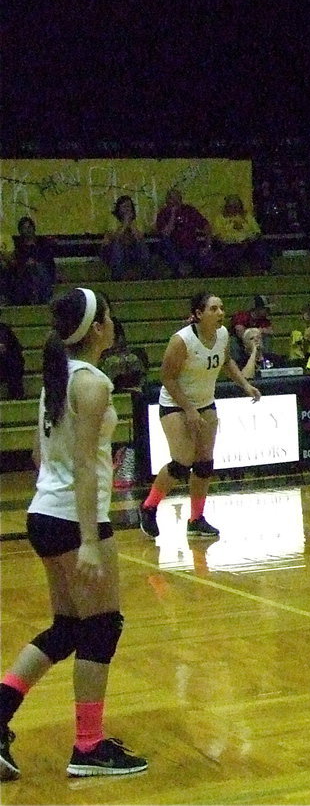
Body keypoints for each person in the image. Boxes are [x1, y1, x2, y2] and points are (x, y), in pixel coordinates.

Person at [0, 287, 149, 779]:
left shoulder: (58, 377)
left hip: (45, 512)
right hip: (72, 519)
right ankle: (88, 746)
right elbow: (85, 465)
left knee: (67, 628)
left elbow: (41, 456)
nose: (113, 322)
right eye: (108, 315)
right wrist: (88, 539)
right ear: (98, 326)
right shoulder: (92, 383)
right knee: (102, 627)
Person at [137, 292, 262, 540]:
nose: (220, 313)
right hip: (175, 404)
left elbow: (226, 362)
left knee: (204, 463)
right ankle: (148, 507)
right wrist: (189, 410)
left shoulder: (223, 334)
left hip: (206, 403)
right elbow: (168, 378)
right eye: (213, 309)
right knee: (181, 462)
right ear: (198, 314)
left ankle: (196, 519)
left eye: (221, 308)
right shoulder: (181, 341)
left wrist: (245, 386)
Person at [154, 188, 213, 278]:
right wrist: (173, 214)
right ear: (167, 200)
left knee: (207, 256)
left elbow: (206, 226)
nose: (174, 201)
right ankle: (180, 268)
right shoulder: (163, 214)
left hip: (191, 247)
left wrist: (207, 246)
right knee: (165, 243)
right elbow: (166, 233)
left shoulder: (189, 211)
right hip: (173, 248)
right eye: (171, 198)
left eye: (177, 198)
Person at [212, 194, 270, 275]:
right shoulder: (220, 219)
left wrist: (248, 240)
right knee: (232, 252)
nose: (234, 209)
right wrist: (234, 241)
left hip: (249, 242)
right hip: (230, 244)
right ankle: (234, 272)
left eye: (236, 206)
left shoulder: (247, 217)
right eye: (231, 206)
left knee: (259, 247)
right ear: (227, 207)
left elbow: (257, 232)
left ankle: (262, 269)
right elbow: (217, 235)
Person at [100, 196, 152, 281]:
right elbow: (115, 237)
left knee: (142, 245)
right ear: (119, 208)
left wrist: (131, 224)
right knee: (117, 245)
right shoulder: (112, 219)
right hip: (112, 250)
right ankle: (118, 275)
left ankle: (146, 273)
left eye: (129, 207)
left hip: (131, 249)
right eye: (124, 207)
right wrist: (125, 224)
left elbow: (139, 237)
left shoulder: (137, 220)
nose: (127, 209)